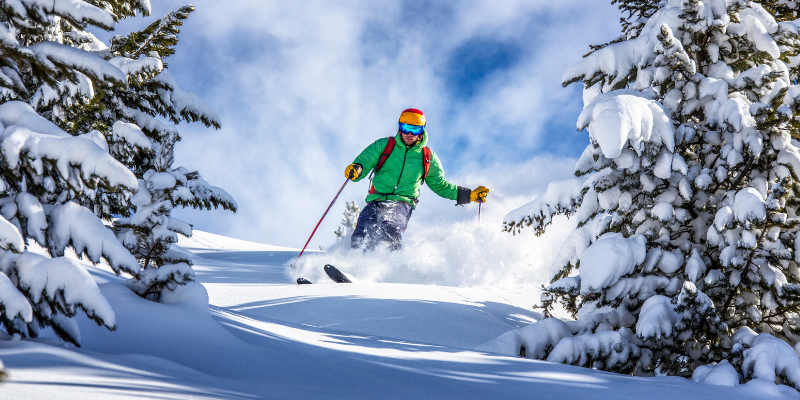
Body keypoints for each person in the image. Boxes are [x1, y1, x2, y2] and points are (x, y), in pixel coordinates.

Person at [344, 108, 489, 250]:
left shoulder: (427, 157)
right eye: (406, 127)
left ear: (422, 131)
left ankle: (388, 265)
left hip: (402, 203)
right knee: (362, 230)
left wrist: (469, 195)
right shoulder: (385, 145)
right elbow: (365, 161)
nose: (409, 134)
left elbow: (440, 185)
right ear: (400, 127)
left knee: (390, 226)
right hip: (376, 199)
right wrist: (357, 169)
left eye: (415, 129)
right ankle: (355, 264)